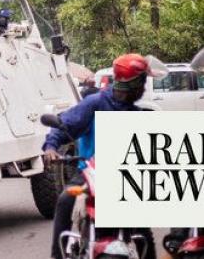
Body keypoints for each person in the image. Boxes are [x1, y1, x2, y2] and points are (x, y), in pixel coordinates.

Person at [43, 53, 156, 259]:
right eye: (142, 82)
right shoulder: (94, 104)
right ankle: (56, 256)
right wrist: (51, 147)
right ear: (132, 83)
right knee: (65, 200)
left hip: (124, 176)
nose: (144, 88)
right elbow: (65, 124)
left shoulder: (138, 113)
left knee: (142, 228)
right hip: (89, 173)